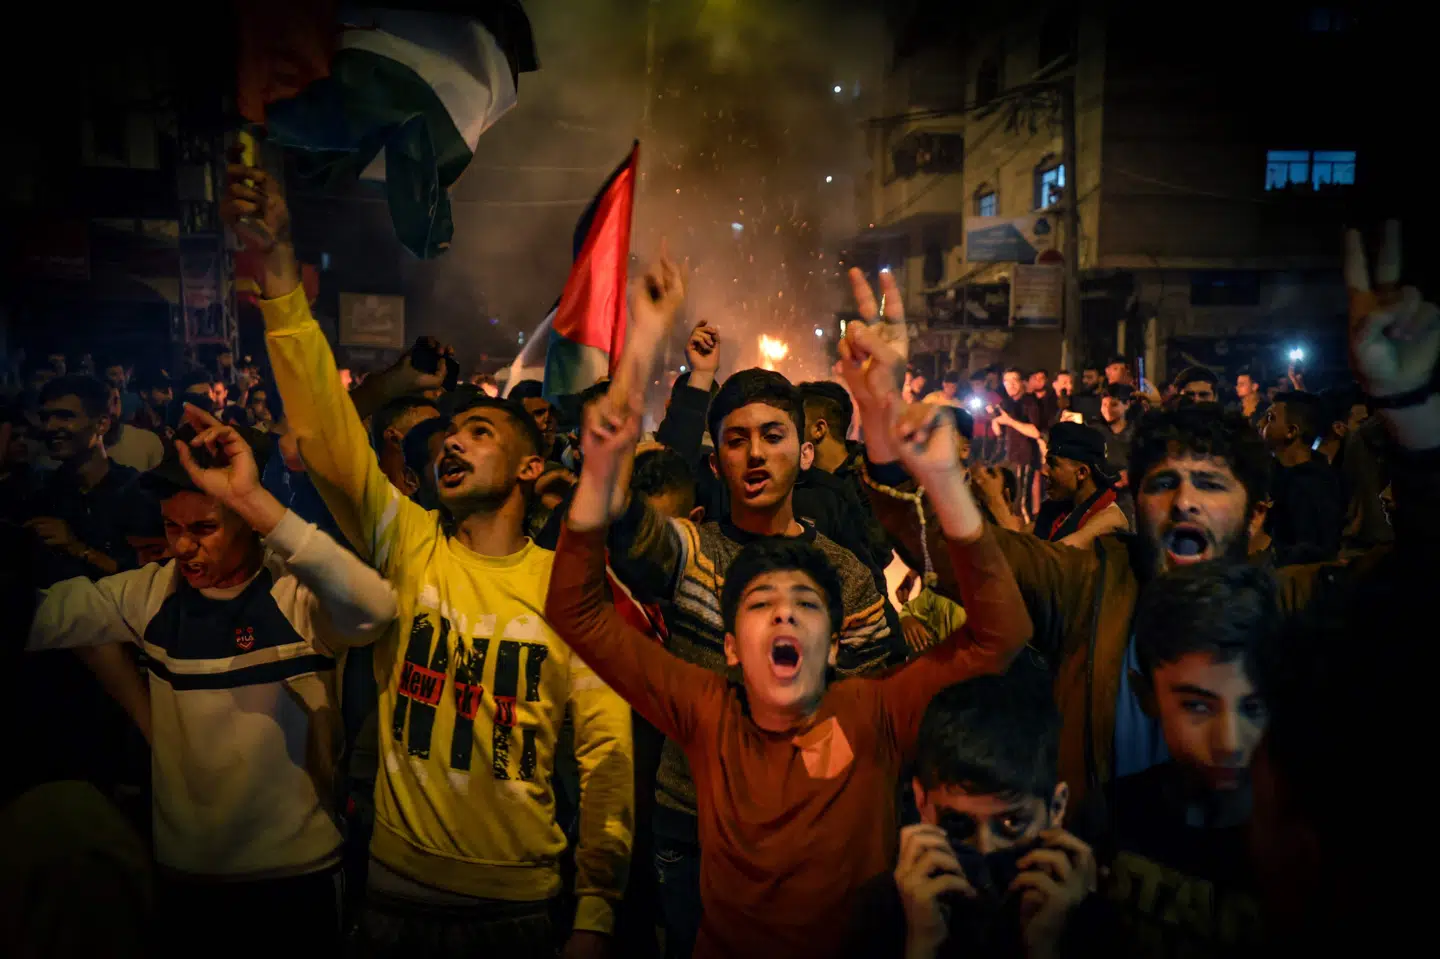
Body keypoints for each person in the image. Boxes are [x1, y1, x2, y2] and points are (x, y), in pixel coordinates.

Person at [854, 224, 1440, 808]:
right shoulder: (1088, 590)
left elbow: (1419, 576)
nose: (1185, 501)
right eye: (1165, 483)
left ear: (1257, 512)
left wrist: (1412, 406)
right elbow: (962, 556)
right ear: (1137, 499)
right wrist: (883, 429)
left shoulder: (1293, 606)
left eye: (1210, 484)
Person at [225, 159, 634, 957]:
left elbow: (607, 754)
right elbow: (330, 437)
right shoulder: (405, 538)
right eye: (450, 433)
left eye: (480, 433)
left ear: (526, 467)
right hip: (391, 894)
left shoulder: (567, 593)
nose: (453, 440)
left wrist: (597, 911)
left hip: (519, 909)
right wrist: (279, 276)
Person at [545, 336, 1031, 958]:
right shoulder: (695, 578)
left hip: (825, 828)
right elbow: (607, 566)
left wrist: (945, 485)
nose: (754, 454)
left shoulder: (850, 601)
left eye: (773, 436)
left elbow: (925, 682)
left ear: (805, 453)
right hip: (694, 822)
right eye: (735, 440)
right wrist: (605, 464)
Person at [27, 405, 398, 954]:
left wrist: (261, 505)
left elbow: (374, 609)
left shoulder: (294, 595)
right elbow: (44, 616)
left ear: (250, 521)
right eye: (171, 528)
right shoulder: (151, 591)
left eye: (203, 529)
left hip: (296, 874)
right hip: (186, 875)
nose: (181, 547)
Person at [846, 672, 1108, 959]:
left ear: (1056, 808)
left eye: (1011, 824)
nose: (985, 848)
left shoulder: (1097, 917)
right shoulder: (881, 910)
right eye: (958, 824)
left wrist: (1045, 947)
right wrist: (922, 944)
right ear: (922, 803)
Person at [1087, 561, 1276, 957]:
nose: (1228, 742)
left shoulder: (1303, 847)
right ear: (1146, 696)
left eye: (1253, 708)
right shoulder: (1108, 819)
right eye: (1197, 707)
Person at [1259, 391, 1345, 563]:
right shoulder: (1275, 473)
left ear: (1291, 431)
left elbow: (1314, 550)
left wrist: (1266, 550)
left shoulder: (1314, 485)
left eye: (1270, 418)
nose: (1260, 423)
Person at [1031, 423, 1128, 547]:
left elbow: (1049, 559)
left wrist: (998, 503)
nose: (1044, 470)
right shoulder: (1058, 510)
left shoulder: (1110, 521)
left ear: (1082, 472)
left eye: (1052, 464)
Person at [990, 367, 1043, 520]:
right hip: (1010, 458)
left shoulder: (1029, 402)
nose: (1011, 385)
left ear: (1023, 383)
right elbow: (1002, 432)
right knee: (1011, 501)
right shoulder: (1007, 403)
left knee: (1023, 504)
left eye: (1014, 381)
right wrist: (996, 422)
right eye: (1007, 381)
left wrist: (1009, 421)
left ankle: (1030, 539)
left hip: (1025, 458)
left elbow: (1035, 432)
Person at [102, 384, 164, 472]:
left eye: (116, 401)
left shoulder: (149, 442)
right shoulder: (80, 451)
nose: (111, 410)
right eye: (103, 403)